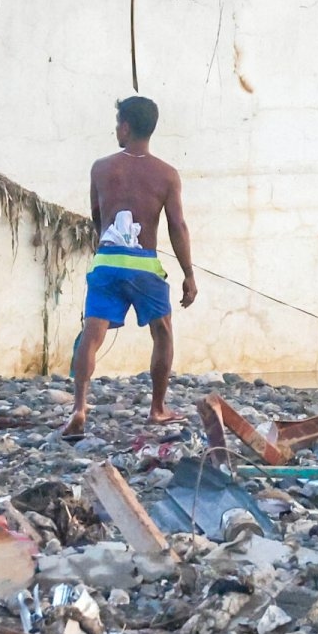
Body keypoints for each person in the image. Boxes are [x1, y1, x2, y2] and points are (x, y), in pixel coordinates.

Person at [60, 96, 198, 437]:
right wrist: (188, 274)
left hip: (107, 259)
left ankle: (79, 407)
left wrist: (108, 246)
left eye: (117, 123)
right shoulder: (167, 174)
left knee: (92, 335)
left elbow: (97, 215)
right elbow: (176, 226)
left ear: (125, 126)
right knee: (162, 332)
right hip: (144, 264)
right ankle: (158, 409)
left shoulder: (101, 168)